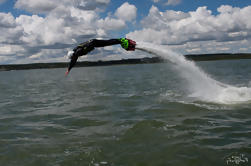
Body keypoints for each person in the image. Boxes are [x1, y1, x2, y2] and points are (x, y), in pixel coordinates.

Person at [65, 38, 136, 75]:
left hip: (94, 43)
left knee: (107, 42)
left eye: (72, 57)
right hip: (93, 43)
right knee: (107, 43)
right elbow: (73, 61)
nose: (72, 58)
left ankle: (122, 40)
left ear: (72, 55)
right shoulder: (75, 51)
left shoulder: (78, 51)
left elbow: (74, 60)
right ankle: (121, 41)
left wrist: (69, 69)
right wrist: (69, 69)